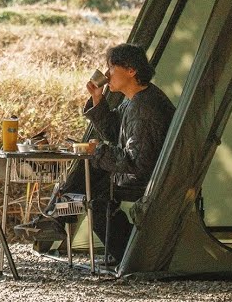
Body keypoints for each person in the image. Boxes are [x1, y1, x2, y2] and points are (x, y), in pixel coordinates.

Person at [18, 43, 175, 264]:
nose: (107, 74)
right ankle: (55, 219)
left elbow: (138, 162)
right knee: (90, 173)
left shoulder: (145, 109)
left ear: (131, 70)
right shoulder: (135, 100)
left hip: (148, 178)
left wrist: (97, 151)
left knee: (96, 189)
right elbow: (113, 131)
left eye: (111, 68)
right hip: (138, 172)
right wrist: (97, 100)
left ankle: (56, 219)